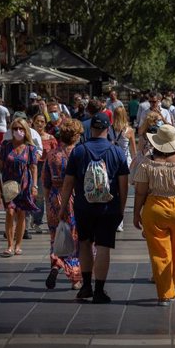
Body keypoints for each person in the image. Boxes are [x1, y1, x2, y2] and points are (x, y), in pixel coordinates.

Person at [59, 113, 129, 303]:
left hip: (83, 207)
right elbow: (124, 185)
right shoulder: (117, 152)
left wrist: (63, 206)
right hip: (109, 208)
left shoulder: (79, 151)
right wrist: (121, 209)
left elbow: (68, 183)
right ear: (108, 128)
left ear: (92, 129)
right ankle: (99, 290)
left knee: (85, 244)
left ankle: (86, 286)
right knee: (103, 247)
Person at [133, 124, 175, 305]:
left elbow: (140, 191)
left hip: (153, 208)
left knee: (159, 253)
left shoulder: (147, 163)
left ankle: (165, 292)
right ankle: (172, 283)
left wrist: (135, 214)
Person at [44, 119, 84, 291]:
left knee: (58, 235)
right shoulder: (80, 153)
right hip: (74, 197)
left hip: (54, 197)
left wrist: (47, 203)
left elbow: (46, 181)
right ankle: (75, 278)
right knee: (75, 238)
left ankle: (56, 264)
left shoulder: (52, 154)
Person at [0, 118, 40, 257]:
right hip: (9, 184)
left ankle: (18, 245)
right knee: (10, 212)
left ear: (26, 130)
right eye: (15, 128)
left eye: (21, 129)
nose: (18, 131)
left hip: (25, 184)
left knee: (21, 213)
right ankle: (9, 245)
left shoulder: (30, 148)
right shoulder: (5, 145)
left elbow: (34, 167)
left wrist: (34, 185)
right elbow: (1, 164)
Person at [31, 113, 58, 233]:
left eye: (42, 121)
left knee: (41, 196)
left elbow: (56, 154)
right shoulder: (29, 137)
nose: (39, 124)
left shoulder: (51, 138)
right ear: (33, 123)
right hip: (32, 166)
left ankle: (37, 221)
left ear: (45, 123)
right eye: (37, 121)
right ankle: (31, 218)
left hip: (45, 168)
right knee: (31, 194)